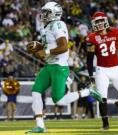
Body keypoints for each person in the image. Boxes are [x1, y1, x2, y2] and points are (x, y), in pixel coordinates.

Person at [26, 2, 102, 133]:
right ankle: (40, 126)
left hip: (59, 66)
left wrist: (46, 52)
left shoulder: (58, 24)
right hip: (49, 65)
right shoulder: (47, 26)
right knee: (36, 91)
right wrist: (40, 46)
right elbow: (50, 46)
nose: (43, 15)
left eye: (46, 12)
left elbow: (64, 46)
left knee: (59, 101)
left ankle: (88, 91)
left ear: (54, 13)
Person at [86, 11, 118, 130]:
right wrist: (91, 75)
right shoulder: (92, 37)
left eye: (100, 21)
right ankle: (105, 124)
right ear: (93, 23)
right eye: (96, 22)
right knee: (102, 96)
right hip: (101, 70)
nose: (99, 24)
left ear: (105, 20)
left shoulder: (115, 32)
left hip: (116, 69)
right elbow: (90, 58)